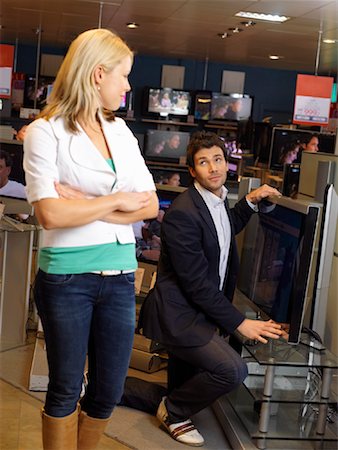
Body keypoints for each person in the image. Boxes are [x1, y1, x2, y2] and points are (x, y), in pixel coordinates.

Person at [23, 28, 158, 450]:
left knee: (107, 392)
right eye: (124, 75)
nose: (128, 85)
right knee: (65, 388)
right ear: (98, 74)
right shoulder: (47, 131)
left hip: (120, 277)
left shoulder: (120, 132)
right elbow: (51, 212)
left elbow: (151, 204)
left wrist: (91, 202)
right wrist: (118, 202)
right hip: (67, 279)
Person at [139, 131, 283, 447]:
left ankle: (99, 386)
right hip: (180, 316)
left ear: (226, 164)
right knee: (233, 370)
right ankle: (174, 413)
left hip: (199, 310)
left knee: (180, 385)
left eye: (218, 159)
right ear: (193, 171)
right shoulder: (182, 212)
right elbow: (197, 285)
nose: (213, 168)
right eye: (204, 162)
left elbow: (222, 230)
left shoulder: (216, 200)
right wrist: (239, 322)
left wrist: (250, 201)